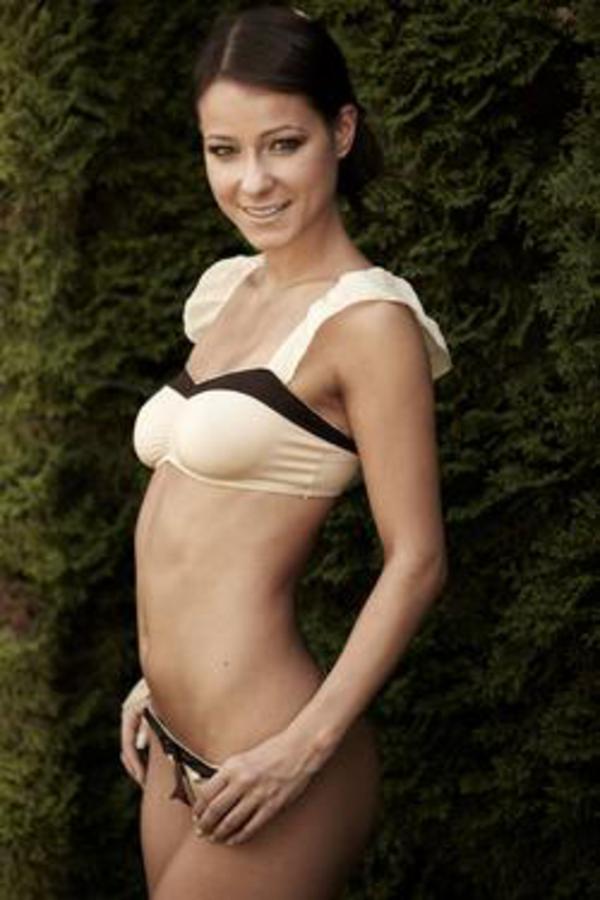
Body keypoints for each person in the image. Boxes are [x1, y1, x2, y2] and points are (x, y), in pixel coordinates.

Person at [120, 5, 453, 898]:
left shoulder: (369, 321)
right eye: (223, 150)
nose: (251, 182)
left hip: (274, 757)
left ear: (340, 132)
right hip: (172, 744)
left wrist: (302, 751)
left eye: (283, 144)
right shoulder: (230, 292)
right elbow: (200, 523)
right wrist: (158, 676)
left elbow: (418, 560)